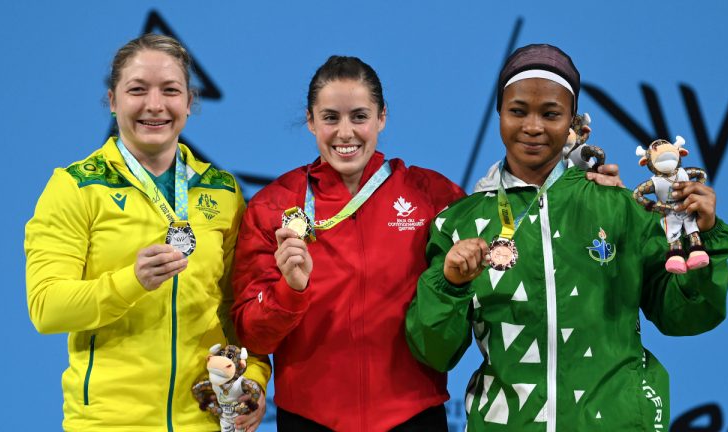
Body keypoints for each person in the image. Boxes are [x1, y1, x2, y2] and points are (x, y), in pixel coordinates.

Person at [405, 44, 728, 431]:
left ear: (573, 123)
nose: (533, 127)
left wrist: (707, 236)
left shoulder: (620, 206)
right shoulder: (461, 223)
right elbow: (433, 351)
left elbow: (689, 315)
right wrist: (450, 284)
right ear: (499, 114)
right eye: (517, 111)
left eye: (550, 114)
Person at [25, 34, 270, 432]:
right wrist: (131, 282)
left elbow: (239, 309)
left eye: (170, 91)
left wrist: (254, 379)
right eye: (137, 90)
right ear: (113, 101)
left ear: (189, 103)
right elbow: (47, 307)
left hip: (203, 422)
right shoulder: (75, 187)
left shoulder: (221, 190)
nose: (154, 105)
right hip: (109, 422)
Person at [231, 55, 466, 431]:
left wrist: (584, 183)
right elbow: (251, 332)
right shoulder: (274, 205)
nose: (345, 133)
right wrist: (290, 290)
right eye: (330, 118)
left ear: (381, 117)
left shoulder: (432, 196)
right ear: (310, 121)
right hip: (310, 419)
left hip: (412, 417)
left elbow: (505, 239)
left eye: (359, 116)